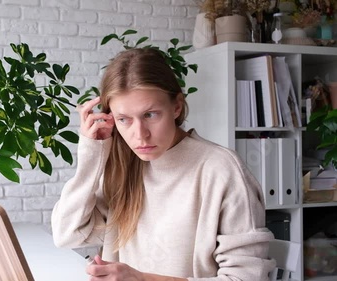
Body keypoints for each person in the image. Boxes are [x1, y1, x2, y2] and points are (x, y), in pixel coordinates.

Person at [51, 48, 276, 281]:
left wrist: (142, 279)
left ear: (176, 107)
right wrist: (92, 153)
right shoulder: (124, 168)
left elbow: (246, 279)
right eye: (123, 119)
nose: (140, 135)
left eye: (150, 115)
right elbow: (66, 235)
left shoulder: (221, 169)